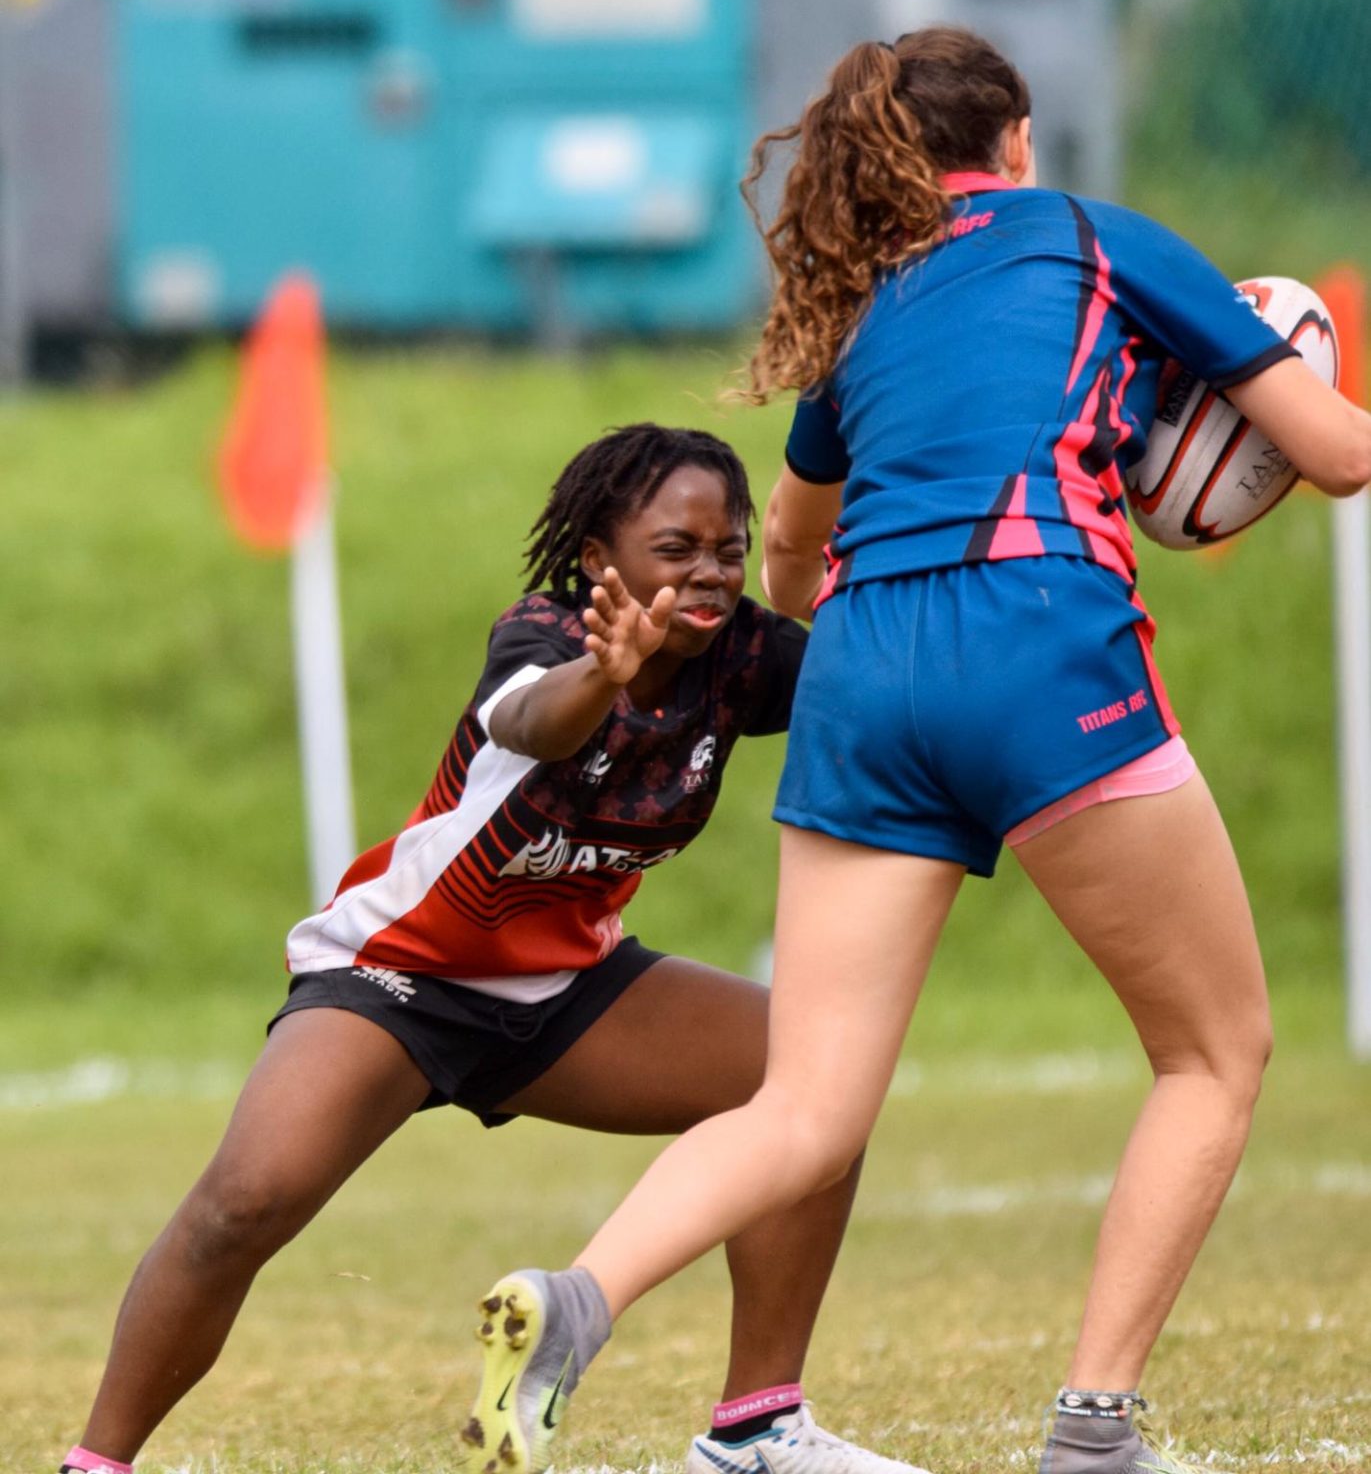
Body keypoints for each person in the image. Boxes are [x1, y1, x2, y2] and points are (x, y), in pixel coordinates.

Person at [458, 27, 1371, 1474]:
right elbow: (1332, 452)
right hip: (1037, 624)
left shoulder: (861, 302)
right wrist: (1190, 456)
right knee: (1212, 1052)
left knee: (806, 1104)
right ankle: (1091, 1430)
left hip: (861, 664)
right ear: (1012, 141)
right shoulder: (1094, 235)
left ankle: (576, 1303)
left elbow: (785, 547)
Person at [59, 424, 931, 1474]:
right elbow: (533, 724)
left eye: (728, 547)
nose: (709, 570)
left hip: (566, 992)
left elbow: (890, 685)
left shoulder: (742, 652)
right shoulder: (543, 634)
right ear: (601, 561)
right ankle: (95, 1462)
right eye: (676, 547)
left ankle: (757, 1428)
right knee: (243, 1204)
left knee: (812, 1084)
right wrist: (604, 678)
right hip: (400, 978)